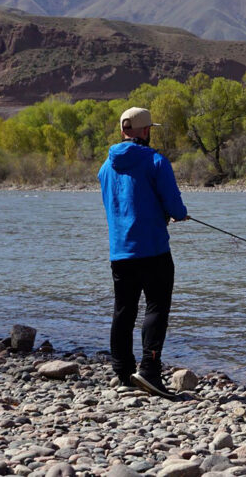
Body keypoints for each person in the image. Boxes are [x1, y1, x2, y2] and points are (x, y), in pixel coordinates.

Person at [98, 106, 188, 399]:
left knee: (123, 311)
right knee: (156, 308)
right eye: (150, 129)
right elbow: (174, 206)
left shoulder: (105, 168)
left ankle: (123, 372)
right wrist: (178, 214)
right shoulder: (156, 161)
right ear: (146, 130)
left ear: (122, 130)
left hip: (120, 251)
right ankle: (149, 371)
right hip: (153, 249)